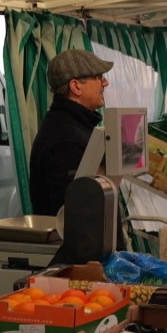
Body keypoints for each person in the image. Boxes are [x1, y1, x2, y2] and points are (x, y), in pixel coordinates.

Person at [29, 49, 114, 216]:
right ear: (76, 86)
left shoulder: (77, 126)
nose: (105, 83)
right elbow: (72, 211)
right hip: (77, 241)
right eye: (98, 77)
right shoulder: (65, 139)